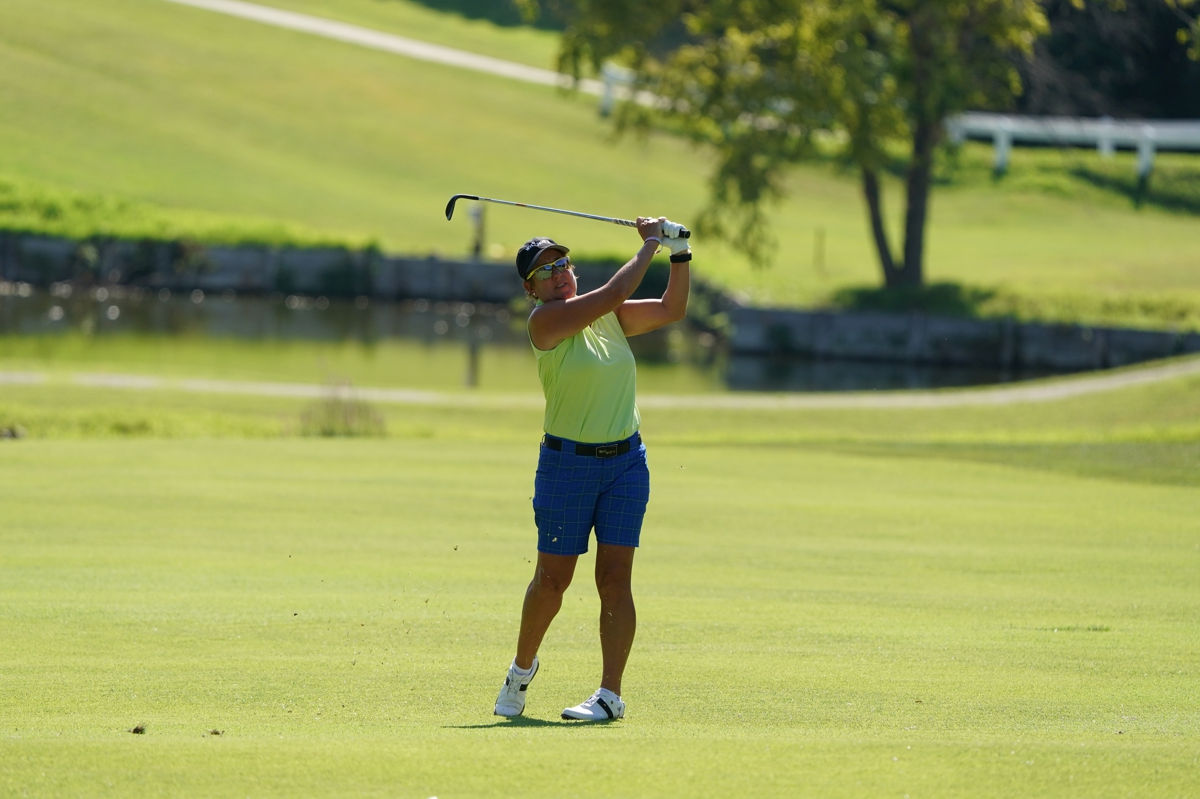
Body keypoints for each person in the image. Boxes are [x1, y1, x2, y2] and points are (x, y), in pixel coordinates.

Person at [493, 216, 692, 722]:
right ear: (530, 288)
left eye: (563, 263)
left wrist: (681, 252)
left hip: (626, 463)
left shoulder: (610, 316)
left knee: (615, 579)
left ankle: (609, 695)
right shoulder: (545, 323)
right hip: (567, 465)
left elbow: (673, 308)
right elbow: (611, 291)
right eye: (546, 270)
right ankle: (521, 670)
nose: (559, 273)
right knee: (553, 581)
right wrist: (650, 244)